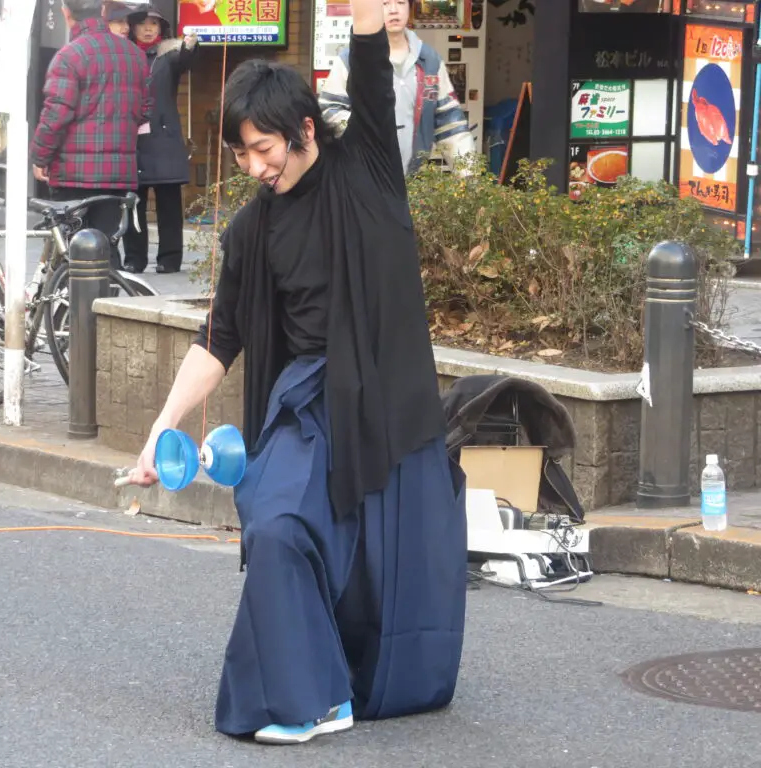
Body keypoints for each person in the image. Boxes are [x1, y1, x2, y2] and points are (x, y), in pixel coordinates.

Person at [121, 0, 468, 746]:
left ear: (305, 129)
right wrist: (161, 427)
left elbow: (373, 68)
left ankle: (329, 691)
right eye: (242, 153)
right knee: (275, 525)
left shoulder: (369, 168)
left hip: (385, 397)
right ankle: (312, 697)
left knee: (381, 565)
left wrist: (369, 15)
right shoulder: (252, 226)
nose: (255, 166)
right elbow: (221, 337)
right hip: (307, 400)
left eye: (263, 148)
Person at [31, 0, 153, 270]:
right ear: (102, 11)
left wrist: (40, 157)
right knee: (106, 247)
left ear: (66, 13)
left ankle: (76, 311)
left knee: (71, 251)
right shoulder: (134, 55)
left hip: (74, 175)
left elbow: (55, 116)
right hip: (119, 174)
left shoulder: (69, 56)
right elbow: (145, 111)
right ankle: (109, 308)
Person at [318, 0, 475, 176]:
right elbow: (329, 109)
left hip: (414, 181)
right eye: (385, 3)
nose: (394, 10)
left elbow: (449, 122)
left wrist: (469, 176)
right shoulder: (352, 59)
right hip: (363, 177)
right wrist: (366, 135)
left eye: (400, 2)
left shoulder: (429, 60)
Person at [121, 5, 198, 274]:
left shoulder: (169, 53)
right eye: (142, 23)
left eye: (154, 23)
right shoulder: (124, 54)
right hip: (132, 139)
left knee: (168, 203)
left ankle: (169, 258)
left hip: (164, 138)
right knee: (132, 204)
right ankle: (134, 258)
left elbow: (185, 60)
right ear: (132, 27)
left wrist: (190, 46)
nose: (148, 28)